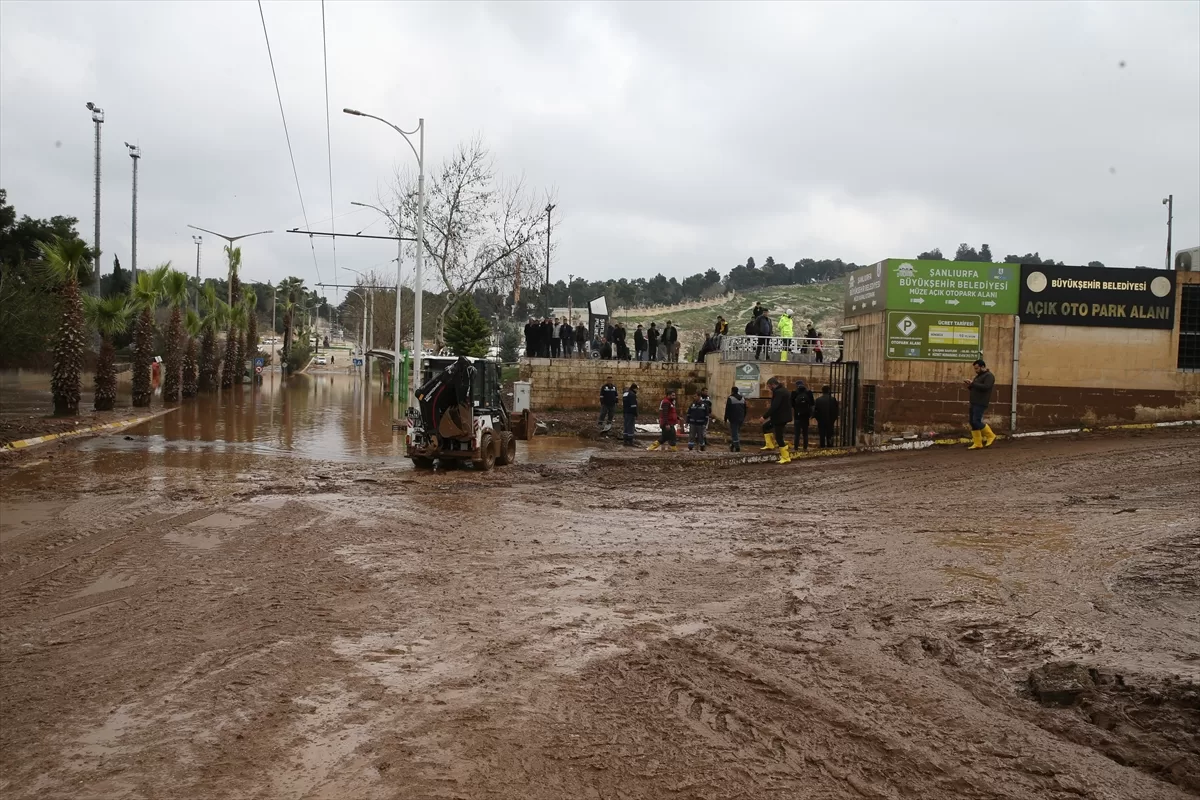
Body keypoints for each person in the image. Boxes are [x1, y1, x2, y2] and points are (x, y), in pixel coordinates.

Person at [964, 358, 997, 449]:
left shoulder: (989, 376)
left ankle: (990, 435)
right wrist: (970, 385)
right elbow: (976, 388)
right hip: (974, 402)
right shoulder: (978, 377)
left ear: (982, 367)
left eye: (977, 368)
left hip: (981, 402)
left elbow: (986, 387)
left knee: (976, 421)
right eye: (975, 369)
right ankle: (978, 443)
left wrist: (973, 384)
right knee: (972, 422)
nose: (975, 370)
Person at [759, 376, 792, 463]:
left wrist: (764, 416)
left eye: (769, 387)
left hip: (780, 418)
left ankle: (785, 457)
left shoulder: (779, 392)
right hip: (781, 417)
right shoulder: (784, 390)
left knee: (779, 437)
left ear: (773, 385)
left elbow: (774, 406)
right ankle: (770, 445)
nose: (769, 389)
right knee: (766, 427)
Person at [791, 378, 814, 451]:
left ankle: (796, 448)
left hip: (797, 416)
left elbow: (791, 404)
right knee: (805, 433)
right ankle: (805, 448)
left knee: (797, 434)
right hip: (806, 416)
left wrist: (797, 409)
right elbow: (812, 403)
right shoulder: (809, 392)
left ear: (796, 385)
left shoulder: (794, 392)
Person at [724, 386, 746, 451]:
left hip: (733, 418)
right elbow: (745, 409)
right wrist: (743, 417)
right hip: (741, 418)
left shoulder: (730, 398)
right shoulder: (742, 398)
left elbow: (727, 409)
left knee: (734, 433)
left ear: (732, 391)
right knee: (736, 432)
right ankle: (732, 445)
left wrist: (725, 418)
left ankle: (737, 447)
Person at [622, 382, 639, 446]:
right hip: (631, 413)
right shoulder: (632, 394)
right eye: (636, 389)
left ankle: (625, 440)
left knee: (626, 426)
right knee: (631, 427)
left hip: (626, 412)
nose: (637, 390)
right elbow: (633, 406)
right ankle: (630, 441)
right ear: (634, 388)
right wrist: (636, 414)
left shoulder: (625, 393)